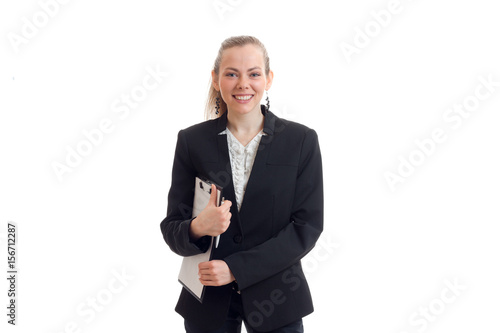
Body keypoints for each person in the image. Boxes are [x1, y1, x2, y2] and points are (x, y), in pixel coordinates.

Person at [160, 35, 324, 333]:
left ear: (268, 79)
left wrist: (236, 269)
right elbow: (172, 228)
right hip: (208, 301)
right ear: (215, 79)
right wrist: (198, 226)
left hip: (277, 297)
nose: (242, 84)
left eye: (254, 74)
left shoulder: (300, 141)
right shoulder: (191, 141)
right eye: (231, 73)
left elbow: (306, 228)